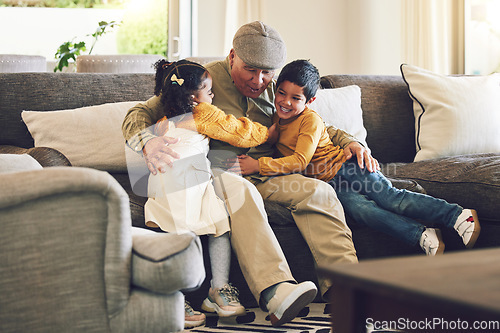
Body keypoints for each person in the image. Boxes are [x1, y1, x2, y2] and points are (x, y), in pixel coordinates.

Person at [122, 21, 362, 327]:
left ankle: (346, 289)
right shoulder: (202, 81)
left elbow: (317, 124)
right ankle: (276, 291)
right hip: (220, 173)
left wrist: (351, 142)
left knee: (320, 191)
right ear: (232, 56)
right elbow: (138, 114)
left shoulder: (277, 89)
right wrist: (148, 141)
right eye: (251, 70)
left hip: (269, 171)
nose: (259, 80)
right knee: (242, 193)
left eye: (267, 72)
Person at [237, 59, 481, 256]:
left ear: (310, 101)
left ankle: (457, 215)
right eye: (282, 93)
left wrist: (258, 165)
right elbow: (281, 144)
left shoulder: (309, 120)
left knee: (390, 197)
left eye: (295, 98)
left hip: (347, 167)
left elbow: (300, 160)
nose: (285, 102)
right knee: (363, 210)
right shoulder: (278, 118)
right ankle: (420, 235)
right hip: (329, 184)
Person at [144, 59, 280, 326]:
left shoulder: (163, 122)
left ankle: (202, 294)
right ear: (195, 99)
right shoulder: (204, 114)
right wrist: (269, 133)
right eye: (209, 92)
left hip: (165, 183)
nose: (213, 96)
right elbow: (239, 131)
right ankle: (208, 290)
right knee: (210, 229)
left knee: (205, 228)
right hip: (186, 183)